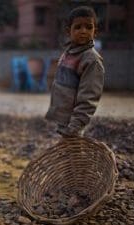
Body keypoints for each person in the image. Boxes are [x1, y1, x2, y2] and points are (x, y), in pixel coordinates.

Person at [45, 6, 105, 137]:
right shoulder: (69, 53)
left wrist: (75, 126)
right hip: (63, 119)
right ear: (68, 31)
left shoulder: (91, 60)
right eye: (78, 27)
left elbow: (89, 97)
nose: (83, 31)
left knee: (75, 152)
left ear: (95, 32)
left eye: (89, 27)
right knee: (67, 153)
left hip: (73, 123)